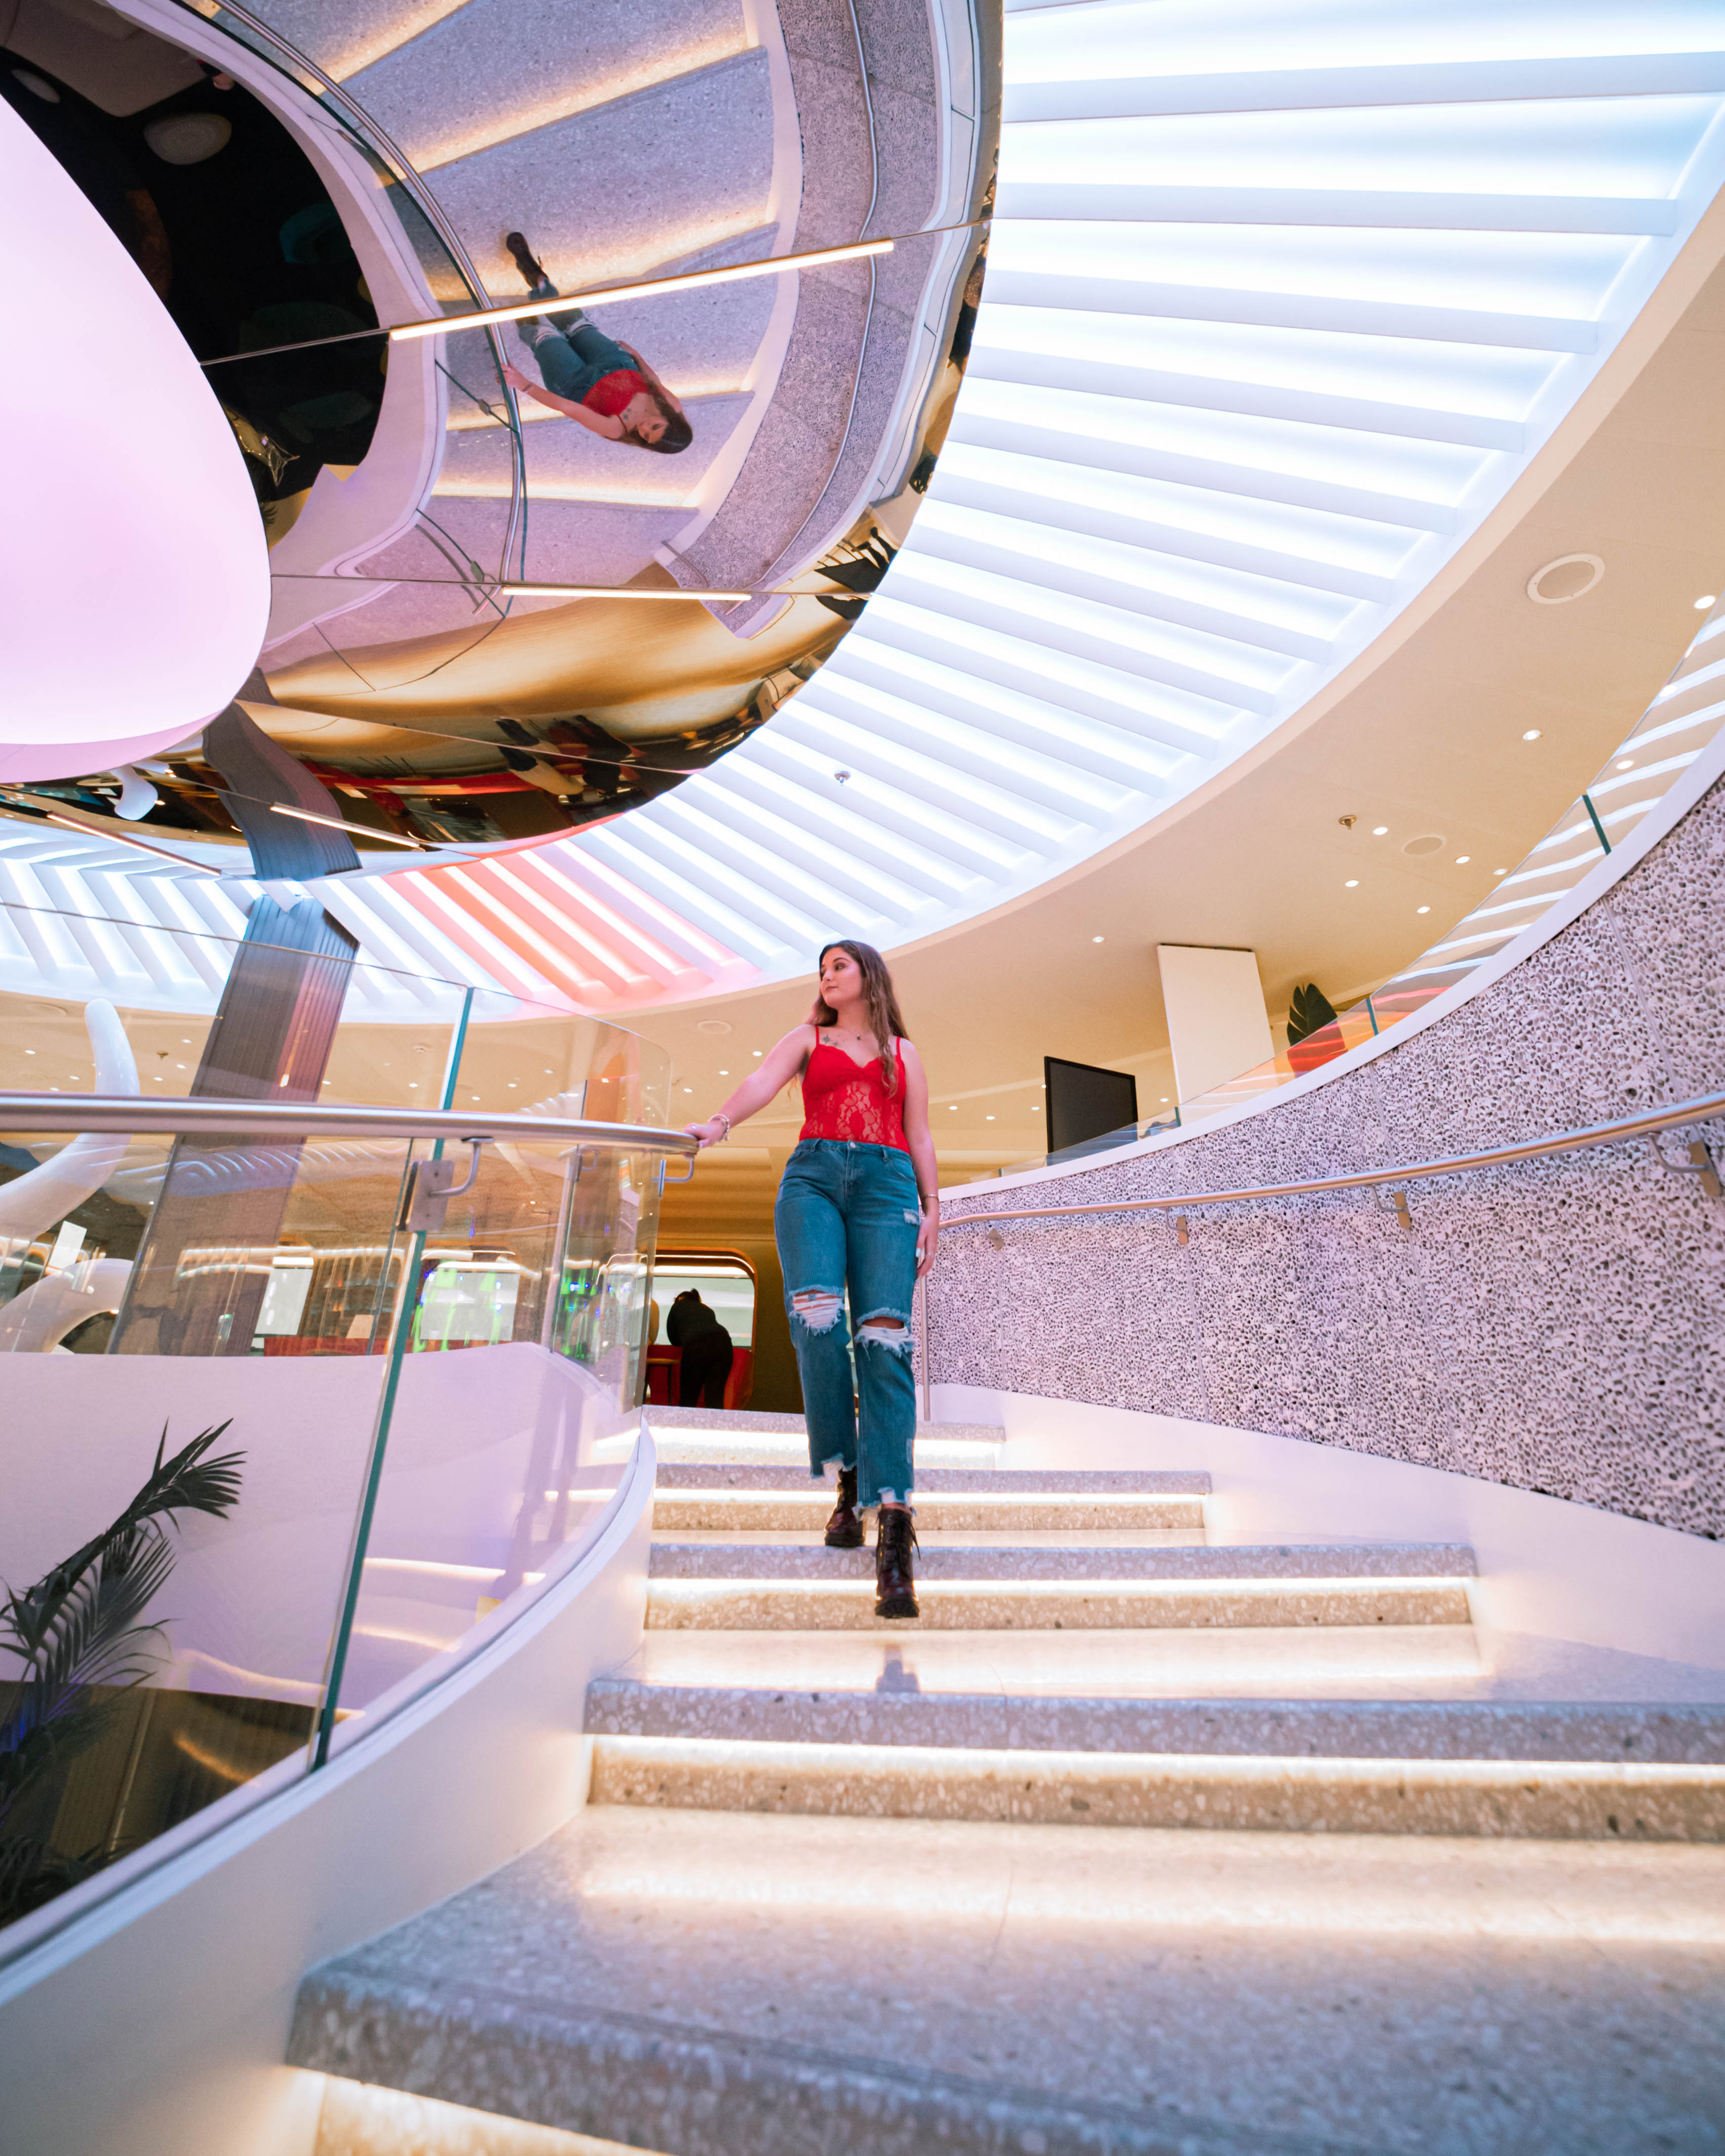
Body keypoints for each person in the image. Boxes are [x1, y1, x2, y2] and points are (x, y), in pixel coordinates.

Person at [684, 941, 939, 1618]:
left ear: (867, 977)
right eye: (821, 969)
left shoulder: (903, 1053)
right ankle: (847, 1470)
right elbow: (763, 1082)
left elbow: (919, 1133)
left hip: (889, 1187)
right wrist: (719, 1123)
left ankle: (892, 1526)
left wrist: (934, 1208)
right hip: (814, 1181)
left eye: (839, 966)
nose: (826, 977)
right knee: (817, 1324)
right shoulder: (806, 1038)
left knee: (885, 1342)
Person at [498, 231, 691, 454]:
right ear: (673, 420)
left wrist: (523, 384)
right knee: (577, 325)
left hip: (574, 383)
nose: (644, 427)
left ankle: (531, 326)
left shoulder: (617, 431)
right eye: (655, 426)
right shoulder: (673, 407)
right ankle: (538, 280)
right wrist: (637, 357)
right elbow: (654, 382)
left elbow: (566, 407)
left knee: (545, 337)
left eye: (646, 436)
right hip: (616, 365)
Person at [667, 1288, 733, 1409]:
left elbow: (672, 1336)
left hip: (697, 1346)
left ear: (679, 1299)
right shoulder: (707, 1309)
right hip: (724, 1344)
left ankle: (684, 1426)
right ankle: (714, 1426)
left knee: (688, 1400)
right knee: (715, 1400)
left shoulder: (677, 1306)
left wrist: (685, 1342)